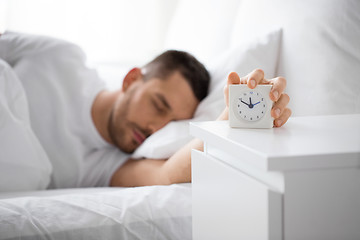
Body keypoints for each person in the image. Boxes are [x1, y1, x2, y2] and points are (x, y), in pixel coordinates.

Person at [0, 32, 291, 189]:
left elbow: (165, 174)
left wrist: (234, 119)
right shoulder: (62, 56)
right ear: (131, 79)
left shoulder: (105, 165)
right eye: (159, 104)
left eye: (172, 121)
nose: (157, 127)